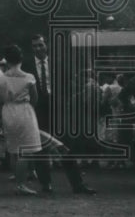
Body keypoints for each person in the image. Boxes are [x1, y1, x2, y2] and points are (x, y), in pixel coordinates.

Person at [23, 34, 96, 195]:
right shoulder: (27, 66)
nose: (38, 49)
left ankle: (77, 184)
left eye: (40, 45)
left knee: (66, 146)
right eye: (35, 46)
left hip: (58, 109)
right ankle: (46, 184)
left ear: (46, 45)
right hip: (38, 111)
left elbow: (69, 83)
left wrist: (63, 101)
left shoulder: (58, 63)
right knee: (39, 148)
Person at [0, 45, 42, 195]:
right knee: (24, 150)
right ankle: (21, 183)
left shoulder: (0, 79)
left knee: (13, 149)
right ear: (21, 58)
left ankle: (19, 181)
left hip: (8, 110)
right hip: (24, 110)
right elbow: (35, 99)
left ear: (7, 60)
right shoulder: (29, 77)